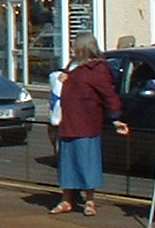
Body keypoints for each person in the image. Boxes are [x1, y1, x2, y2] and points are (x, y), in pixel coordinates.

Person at [50, 34, 127, 216]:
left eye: (74, 46)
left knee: (87, 163)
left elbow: (109, 95)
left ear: (83, 48)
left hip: (86, 123)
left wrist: (115, 118)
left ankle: (90, 200)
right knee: (67, 164)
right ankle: (66, 200)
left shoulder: (97, 69)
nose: (72, 49)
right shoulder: (72, 66)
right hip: (67, 122)